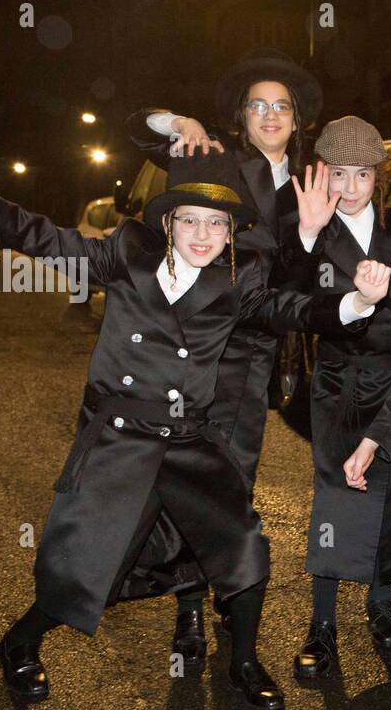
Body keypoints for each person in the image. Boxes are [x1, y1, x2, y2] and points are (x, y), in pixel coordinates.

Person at [0, 139, 388, 710]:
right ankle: (21, 640)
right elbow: (40, 236)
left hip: (190, 440)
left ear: (229, 233)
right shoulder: (124, 257)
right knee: (93, 561)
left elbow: (292, 309)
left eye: (216, 223)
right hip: (120, 437)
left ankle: (243, 661)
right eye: (190, 220)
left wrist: (357, 303)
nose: (202, 234)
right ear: (168, 223)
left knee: (243, 546)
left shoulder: (235, 283)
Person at [120, 48, 324, 662]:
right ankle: (188, 613)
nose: (269, 114)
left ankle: (231, 614)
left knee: (233, 483)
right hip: (197, 347)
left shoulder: (313, 181)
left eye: (281, 106)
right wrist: (175, 123)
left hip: (255, 355)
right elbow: (138, 129)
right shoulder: (214, 159)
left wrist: (311, 238)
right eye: (258, 104)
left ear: (296, 120)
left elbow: (307, 282)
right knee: (185, 477)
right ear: (242, 116)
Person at [285, 116, 391, 678]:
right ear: (322, 175)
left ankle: (380, 603)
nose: (350, 186)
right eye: (338, 173)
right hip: (341, 383)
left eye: (361, 174)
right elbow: (292, 301)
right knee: (339, 494)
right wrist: (307, 237)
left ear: (378, 178)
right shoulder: (311, 232)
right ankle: (323, 624)